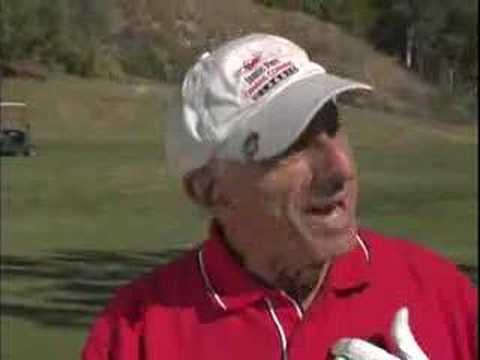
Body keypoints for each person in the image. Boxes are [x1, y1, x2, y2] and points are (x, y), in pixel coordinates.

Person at [82, 33, 477, 360]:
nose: (339, 168)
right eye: (292, 145)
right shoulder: (136, 334)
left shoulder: (441, 293)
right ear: (211, 190)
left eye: (333, 127)